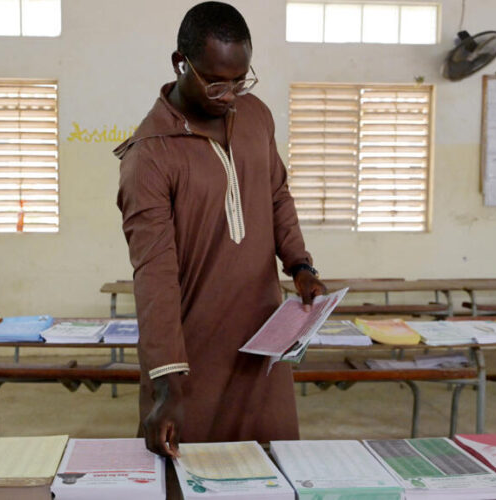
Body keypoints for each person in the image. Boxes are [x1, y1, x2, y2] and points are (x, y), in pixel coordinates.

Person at [114, 1, 326, 458]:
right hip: (194, 358)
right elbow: (154, 277)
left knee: (274, 469)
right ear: (180, 63)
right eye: (215, 81)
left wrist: (300, 264)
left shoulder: (256, 117)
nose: (229, 94)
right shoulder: (149, 154)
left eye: (239, 80)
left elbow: (277, 196)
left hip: (262, 346)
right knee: (190, 476)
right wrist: (168, 386)